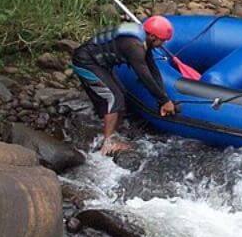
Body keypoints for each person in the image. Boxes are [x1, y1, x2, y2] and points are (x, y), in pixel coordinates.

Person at [71, 16, 178, 154]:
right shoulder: (134, 46)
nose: (163, 44)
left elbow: (153, 70)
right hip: (85, 62)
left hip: (100, 64)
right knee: (114, 97)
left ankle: (114, 133)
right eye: (162, 40)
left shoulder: (143, 39)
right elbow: (144, 76)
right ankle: (108, 142)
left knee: (122, 94)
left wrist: (164, 99)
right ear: (152, 36)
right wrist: (164, 100)